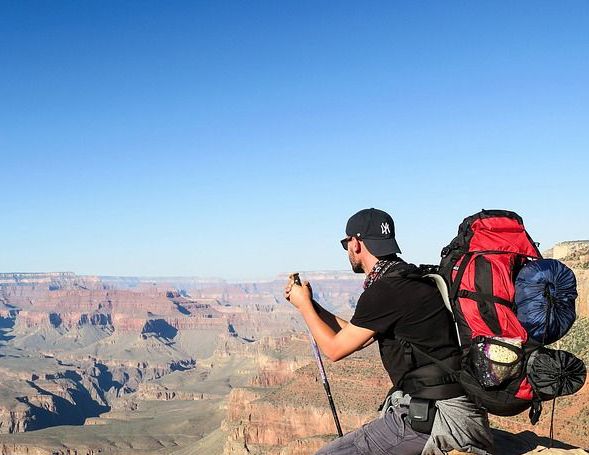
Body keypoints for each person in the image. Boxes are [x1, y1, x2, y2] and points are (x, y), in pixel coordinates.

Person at [284, 208, 493, 455]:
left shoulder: (385, 291)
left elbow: (334, 350)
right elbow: (356, 338)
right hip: (455, 409)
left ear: (357, 243)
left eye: (346, 243)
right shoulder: (408, 277)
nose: (347, 250)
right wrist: (314, 306)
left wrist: (304, 307)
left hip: (439, 420)